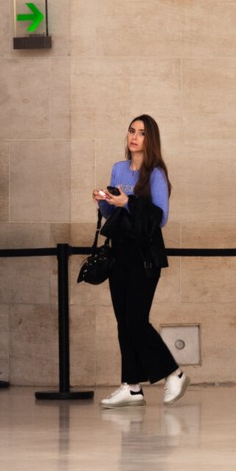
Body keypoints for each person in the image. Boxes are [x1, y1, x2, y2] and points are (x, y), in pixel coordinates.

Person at [93, 114, 189, 408]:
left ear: (151, 139)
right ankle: (131, 386)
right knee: (124, 322)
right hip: (119, 251)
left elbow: (160, 218)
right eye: (132, 131)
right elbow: (113, 215)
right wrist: (104, 201)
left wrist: (129, 202)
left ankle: (174, 372)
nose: (134, 137)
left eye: (142, 133)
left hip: (145, 255)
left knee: (136, 320)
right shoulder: (119, 168)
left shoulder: (156, 174)